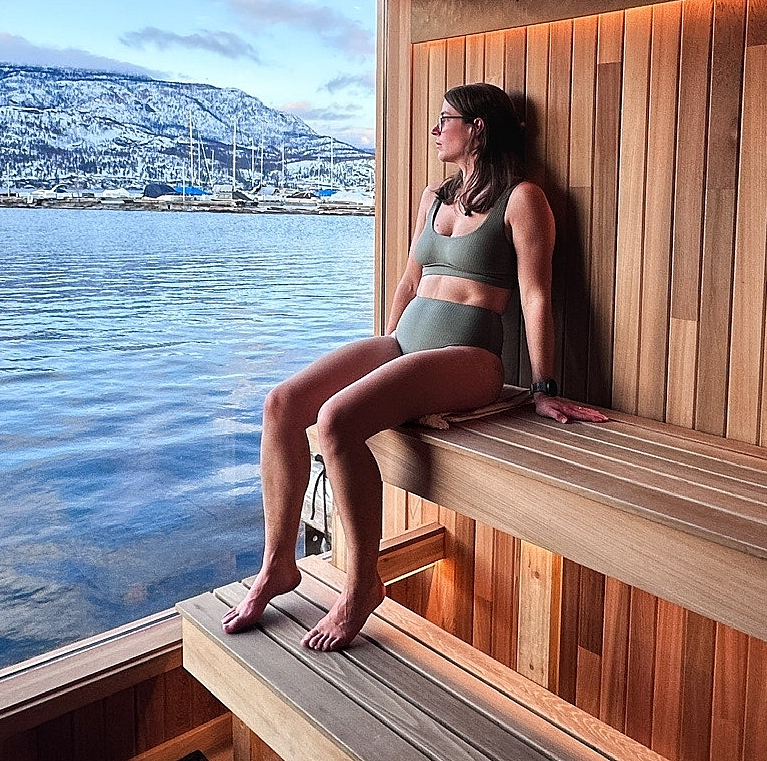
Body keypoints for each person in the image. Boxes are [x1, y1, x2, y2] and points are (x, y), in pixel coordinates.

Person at [221, 82, 607, 651]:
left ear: (478, 128)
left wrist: (544, 387)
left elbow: (537, 297)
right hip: (404, 342)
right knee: (281, 404)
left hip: (468, 360)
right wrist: (379, 352)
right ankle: (278, 563)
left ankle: (360, 585)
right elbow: (409, 281)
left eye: (444, 119)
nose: (434, 130)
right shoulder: (434, 196)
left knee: (334, 423)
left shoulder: (523, 199)